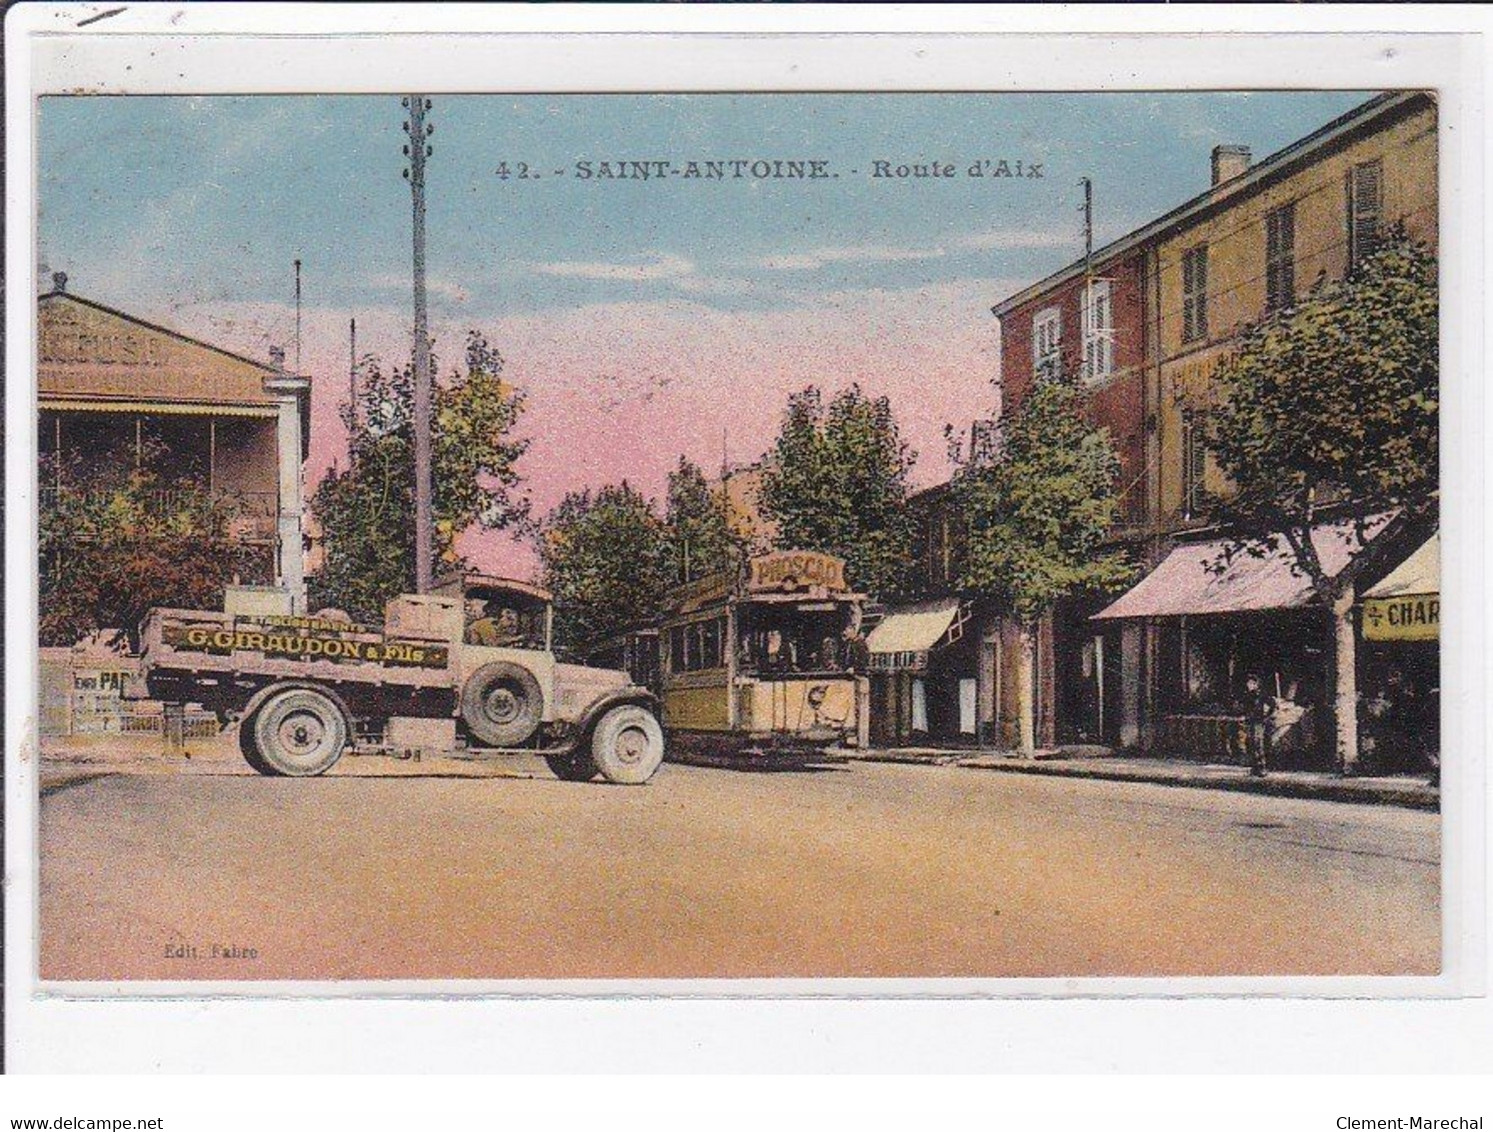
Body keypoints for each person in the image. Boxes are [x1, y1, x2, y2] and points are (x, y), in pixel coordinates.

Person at [1243, 673, 1274, 778]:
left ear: (1256, 684)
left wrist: (1267, 716)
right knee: (1250, 743)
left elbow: (1273, 704)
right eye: (1248, 683)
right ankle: (1254, 767)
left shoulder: (1261, 695)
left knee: (1258, 744)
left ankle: (1262, 767)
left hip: (1258, 722)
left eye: (1251, 683)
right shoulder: (1248, 695)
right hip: (1250, 721)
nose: (1249, 685)